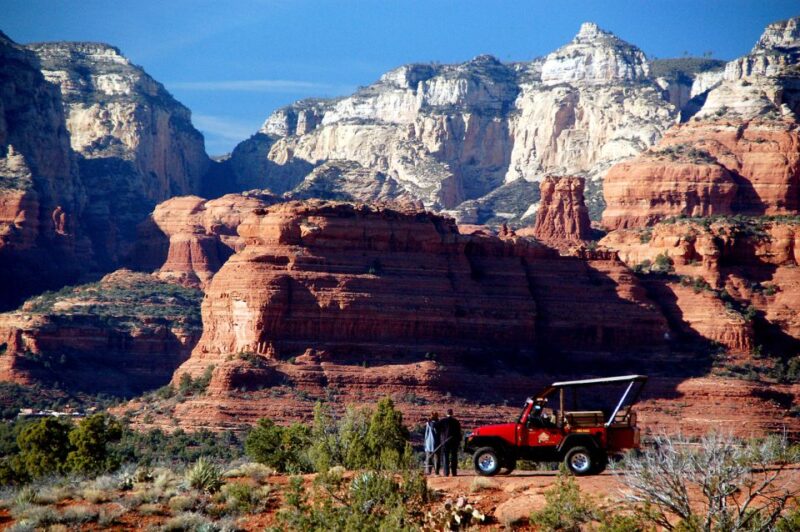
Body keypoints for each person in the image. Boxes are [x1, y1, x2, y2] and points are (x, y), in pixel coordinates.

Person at [437, 408, 461, 476]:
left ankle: (446, 472)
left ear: (446, 413)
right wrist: (458, 441)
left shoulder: (443, 421)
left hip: (445, 441)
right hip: (454, 442)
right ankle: (454, 472)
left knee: (445, 456)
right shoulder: (456, 421)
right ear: (452, 413)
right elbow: (459, 433)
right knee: (454, 457)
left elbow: (435, 426)